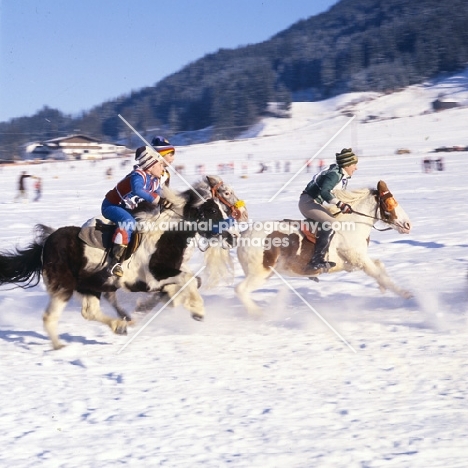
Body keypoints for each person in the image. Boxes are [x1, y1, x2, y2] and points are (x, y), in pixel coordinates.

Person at [101, 146, 164, 277]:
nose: (163, 168)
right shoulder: (138, 175)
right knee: (128, 222)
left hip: (127, 207)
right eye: (161, 165)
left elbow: (160, 197)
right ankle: (114, 262)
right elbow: (137, 190)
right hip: (112, 205)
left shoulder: (156, 180)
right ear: (150, 166)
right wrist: (158, 200)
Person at [298, 148, 359, 271]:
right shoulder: (335, 174)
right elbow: (324, 192)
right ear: (346, 165)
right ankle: (316, 260)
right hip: (308, 202)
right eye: (354, 164)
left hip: (313, 202)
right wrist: (340, 205)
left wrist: (344, 205)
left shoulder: (340, 173)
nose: (356, 168)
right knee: (333, 224)